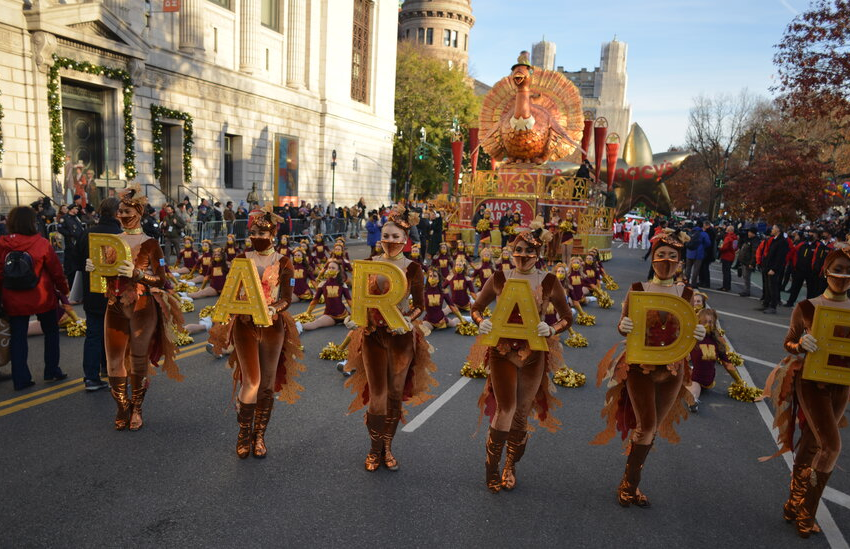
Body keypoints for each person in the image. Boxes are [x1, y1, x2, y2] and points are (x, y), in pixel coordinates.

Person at [592, 229, 706, 507]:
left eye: (672, 256)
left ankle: (629, 482)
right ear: (652, 258)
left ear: (680, 261)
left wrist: (698, 332)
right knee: (646, 425)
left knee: (651, 428)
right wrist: (624, 326)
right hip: (640, 367)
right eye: (661, 255)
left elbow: (688, 329)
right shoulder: (638, 290)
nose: (666, 260)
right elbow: (622, 325)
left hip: (672, 370)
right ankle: (629, 486)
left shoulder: (688, 293)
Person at [467, 218, 572, 493]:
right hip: (501, 351)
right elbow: (476, 307)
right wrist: (481, 321)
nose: (523, 256)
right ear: (511, 250)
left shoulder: (549, 281)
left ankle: (510, 466)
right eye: (519, 249)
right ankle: (491, 469)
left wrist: (551, 328)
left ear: (538, 254)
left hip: (533, 354)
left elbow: (567, 317)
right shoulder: (500, 277)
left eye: (529, 251)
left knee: (521, 415)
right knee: (505, 408)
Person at [762, 243, 850, 538]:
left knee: (813, 444)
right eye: (838, 269)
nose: (843, 276)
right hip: (812, 383)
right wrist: (801, 345)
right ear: (826, 271)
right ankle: (806, 511)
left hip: (842, 385)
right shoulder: (807, 307)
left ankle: (792, 503)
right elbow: (788, 341)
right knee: (831, 445)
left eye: (849, 271)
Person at [341, 204, 437, 472]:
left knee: (395, 394)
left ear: (405, 241)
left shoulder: (413, 268)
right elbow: (360, 298)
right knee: (378, 395)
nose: (390, 241)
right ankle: (374, 449)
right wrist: (354, 316)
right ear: (380, 237)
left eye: (396, 237)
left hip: (401, 338)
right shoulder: (369, 265)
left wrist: (408, 320)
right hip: (373, 335)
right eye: (386, 235)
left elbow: (420, 304)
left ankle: (387, 445)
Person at [84, 185, 184, 430]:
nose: (122, 216)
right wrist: (94, 268)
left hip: (142, 308)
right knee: (114, 362)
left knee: (138, 361)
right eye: (120, 211)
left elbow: (162, 279)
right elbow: (106, 276)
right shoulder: (110, 242)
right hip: (114, 306)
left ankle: (137, 409)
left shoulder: (151, 244)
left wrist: (138, 274)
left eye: (127, 211)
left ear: (139, 212)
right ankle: (122, 407)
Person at [209, 206, 305, 459]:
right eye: (252, 231)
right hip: (245, 325)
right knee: (251, 381)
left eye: (262, 231)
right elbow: (230, 291)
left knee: (266, 385)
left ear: (273, 233)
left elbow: (287, 296)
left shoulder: (284, 262)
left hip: (273, 328)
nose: (256, 236)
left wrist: (275, 309)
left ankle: (259, 435)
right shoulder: (242, 259)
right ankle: (243, 433)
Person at [0, 206, 70, 390]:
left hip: (12, 296)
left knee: (18, 337)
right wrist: (64, 290)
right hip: (41, 295)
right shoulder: (41, 243)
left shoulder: (2, 243)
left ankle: (20, 378)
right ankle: (51, 370)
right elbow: (56, 272)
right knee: (51, 332)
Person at [76, 197, 121, 391]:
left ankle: (91, 377)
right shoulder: (122, 235)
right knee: (117, 333)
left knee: (94, 334)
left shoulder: (87, 233)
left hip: (93, 292)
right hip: (116, 293)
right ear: (117, 214)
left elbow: (76, 263)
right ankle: (112, 370)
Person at [299, 259, 351, 331]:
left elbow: (349, 301)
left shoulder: (342, 284)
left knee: (357, 325)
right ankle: (297, 327)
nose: (330, 269)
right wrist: (308, 313)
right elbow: (315, 300)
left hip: (344, 314)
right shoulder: (322, 284)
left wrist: (354, 315)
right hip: (330, 315)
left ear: (338, 271)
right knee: (316, 323)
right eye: (329, 268)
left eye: (333, 268)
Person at [762, 224, 789, 315]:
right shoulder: (775, 240)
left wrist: (774, 269)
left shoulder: (782, 242)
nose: (771, 230)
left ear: (778, 230)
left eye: (773, 228)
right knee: (768, 287)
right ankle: (767, 303)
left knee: (773, 287)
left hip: (774, 268)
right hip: (769, 266)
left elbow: (780, 257)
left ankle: (773, 306)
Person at [57, 203, 85, 290]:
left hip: (79, 243)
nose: (77, 211)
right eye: (76, 209)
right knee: (71, 266)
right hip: (71, 244)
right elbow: (60, 228)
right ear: (71, 209)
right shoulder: (65, 218)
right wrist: (70, 235)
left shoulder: (76, 218)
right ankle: (71, 286)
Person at [685, 222, 709, 287]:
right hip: (699, 253)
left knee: (688, 268)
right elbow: (708, 243)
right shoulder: (704, 234)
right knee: (696, 270)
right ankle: (693, 283)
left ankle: (686, 282)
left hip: (689, 253)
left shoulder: (690, 233)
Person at [736, 226, 758, 297]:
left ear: (753, 233)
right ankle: (746, 290)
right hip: (744, 260)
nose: (748, 233)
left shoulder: (755, 241)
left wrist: (752, 263)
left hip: (748, 262)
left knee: (747, 277)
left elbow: (754, 253)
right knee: (745, 276)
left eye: (750, 232)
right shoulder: (749, 239)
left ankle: (747, 291)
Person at [717, 225, 738, 291]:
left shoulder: (728, 238)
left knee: (725, 272)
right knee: (728, 272)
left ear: (728, 231)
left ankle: (725, 286)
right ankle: (727, 286)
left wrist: (720, 248)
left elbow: (723, 247)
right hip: (731, 256)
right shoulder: (735, 238)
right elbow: (735, 247)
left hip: (726, 256)